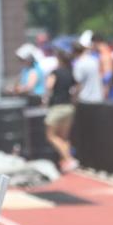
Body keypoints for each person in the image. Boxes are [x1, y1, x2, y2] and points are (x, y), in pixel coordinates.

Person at [43, 44, 78, 172]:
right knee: (63, 138)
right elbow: (77, 86)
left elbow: (48, 86)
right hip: (69, 107)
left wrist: (45, 99)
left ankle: (69, 159)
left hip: (57, 107)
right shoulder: (70, 72)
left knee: (51, 136)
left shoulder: (55, 72)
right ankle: (65, 161)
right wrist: (74, 99)